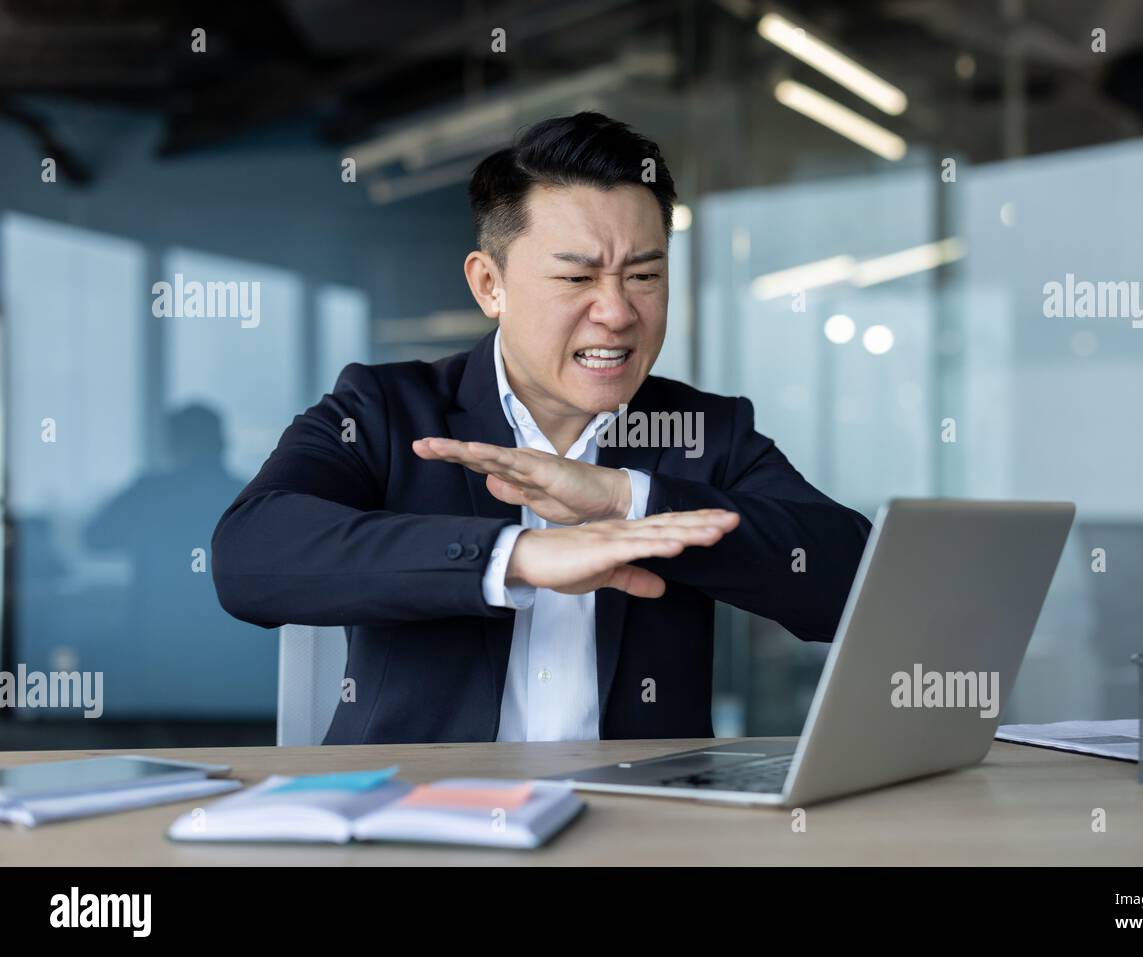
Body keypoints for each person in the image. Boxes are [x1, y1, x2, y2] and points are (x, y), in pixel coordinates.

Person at [212, 112, 872, 745]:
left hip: (645, 823)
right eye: (577, 277)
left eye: (643, 275)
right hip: (423, 819)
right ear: (489, 284)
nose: (616, 311)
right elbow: (249, 555)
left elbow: (855, 587)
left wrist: (627, 498)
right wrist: (515, 557)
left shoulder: (704, 430)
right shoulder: (385, 410)